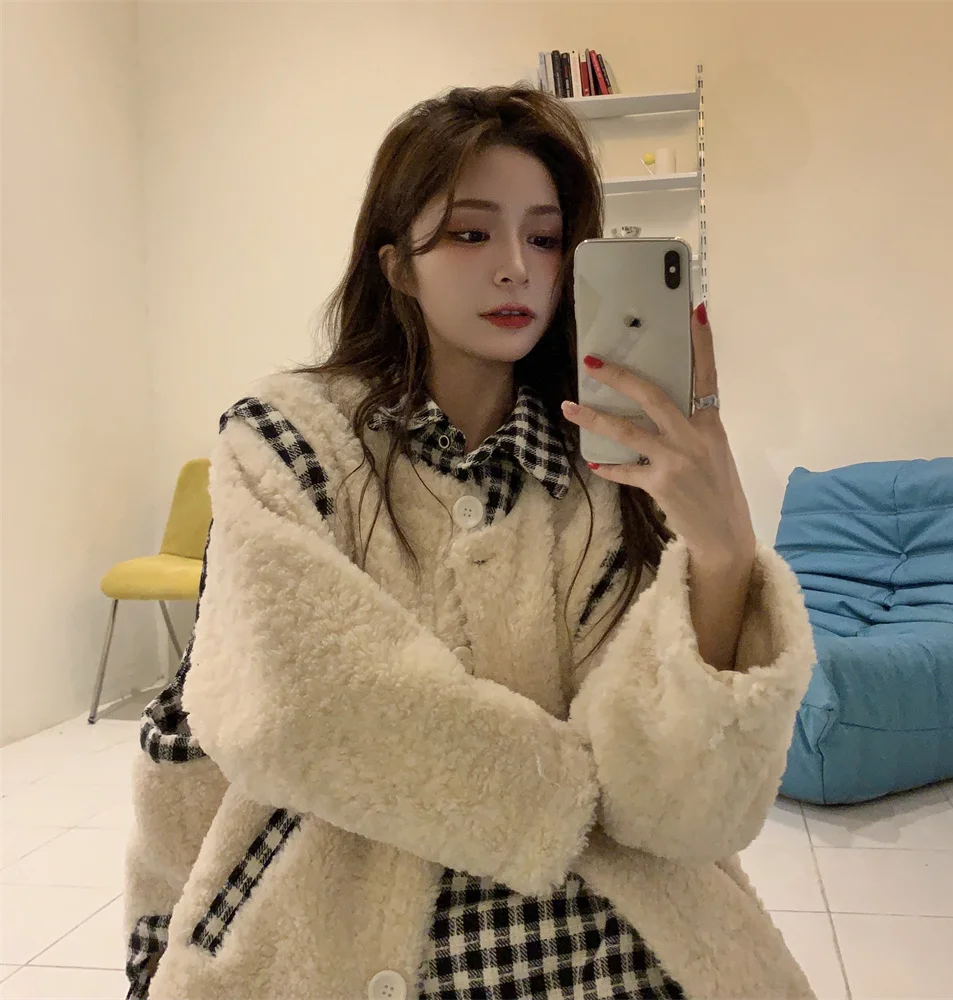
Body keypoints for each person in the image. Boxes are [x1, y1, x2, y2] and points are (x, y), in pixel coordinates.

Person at [124, 84, 818, 1000]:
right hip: (327, 939)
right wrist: (573, 791)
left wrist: (724, 560)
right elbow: (294, 705)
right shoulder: (288, 440)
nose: (516, 268)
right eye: (469, 233)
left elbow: (678, 810)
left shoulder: (613, 477)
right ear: (397, 266)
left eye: (545, 238)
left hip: (617, 951)